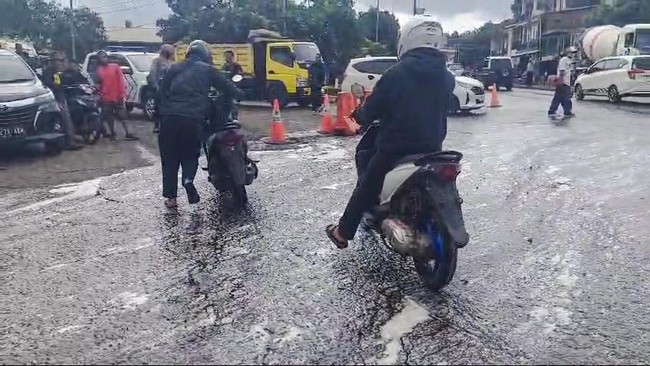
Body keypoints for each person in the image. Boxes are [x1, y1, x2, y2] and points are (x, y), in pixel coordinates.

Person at [325, 15, 455, 249]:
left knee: (368, 181)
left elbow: (374, 107)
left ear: (407, 39)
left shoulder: (397, 73)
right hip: (433, 147)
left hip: (397, 148)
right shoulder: (447, 77)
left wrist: (359, 115)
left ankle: (343, 231)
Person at [159, 40, 244, 208]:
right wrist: (240, 93)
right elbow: (227, 86)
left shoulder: (175, 68)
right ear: (205, 55)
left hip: (169, 118)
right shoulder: (207, 69)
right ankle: (188, 180)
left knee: (169, 158)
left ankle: (171, 198)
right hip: (192, 118)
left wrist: (162, 112)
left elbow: (162, 91)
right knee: (190, 154)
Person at [41, 53, 83, 151]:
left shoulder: (57, 72)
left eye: (63, 60)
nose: (62, 63)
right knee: (65, 120)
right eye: (60, 60)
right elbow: (51, 85)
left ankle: (71, 138)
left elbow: (64, 82)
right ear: (53, 61)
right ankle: (69, 142)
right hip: (55, 100)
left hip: (61, 97)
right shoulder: (49, 72)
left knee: (67, 119)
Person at [94, 50, 138, 141]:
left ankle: (128, 133)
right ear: (98, 60)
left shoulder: (115, 67)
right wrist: (97, 91)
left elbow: (121, 81)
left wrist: (122, 94)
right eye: (101, 58)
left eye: (104, 57)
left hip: (117, 96)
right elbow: (98, 84)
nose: (103, 59)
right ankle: (113, 134)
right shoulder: (99, 70)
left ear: (107, 57)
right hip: (106, 98)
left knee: (123, 116)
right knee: (109, 117)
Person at [148, 44, 175, 133]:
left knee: (167, 108)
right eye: (170, 51)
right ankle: (157, 126)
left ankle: (165, 125)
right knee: (158, 107)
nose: (172, 53)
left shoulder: (170, 62)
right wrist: (155, 86)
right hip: (159, 87)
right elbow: (152, 73)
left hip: (169, 88)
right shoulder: (157, 61)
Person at [547, 49, 575, 118]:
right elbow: (562, 70)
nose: (573, 54)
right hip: (563, 82)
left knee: (559, 97)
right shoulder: (563, 60)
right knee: (564, 97)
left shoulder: (570, 61)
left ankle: (553, 110)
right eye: (572, 53)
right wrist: (561, 80)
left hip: (566, 82)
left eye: (574, 53)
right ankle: (566, 111)